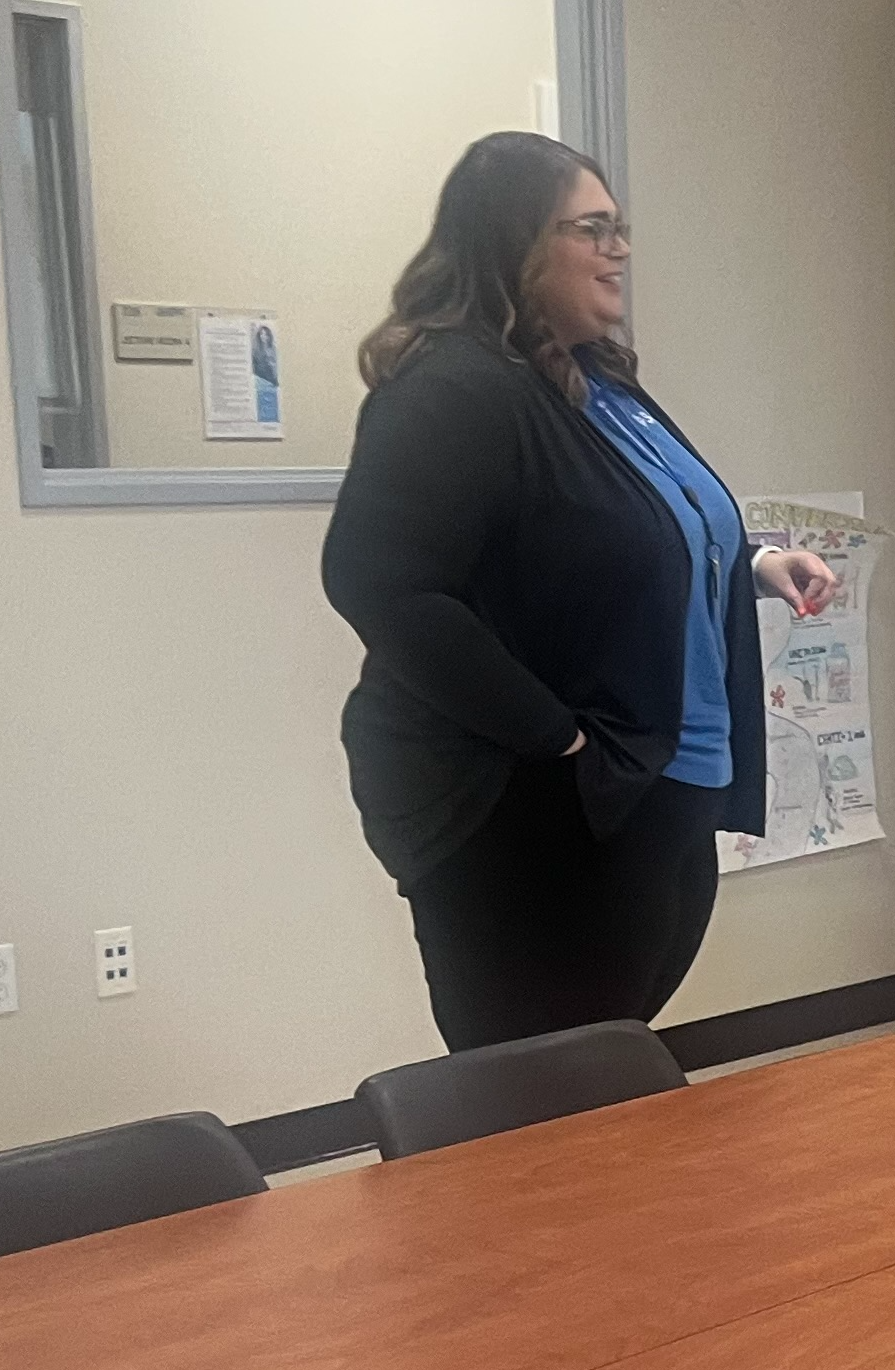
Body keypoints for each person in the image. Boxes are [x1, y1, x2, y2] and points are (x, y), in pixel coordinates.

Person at [322, 132, 834, 1050]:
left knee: (604, 1064)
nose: (620, 249)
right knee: (543, 1094)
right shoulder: (455, 386)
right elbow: (380, 583)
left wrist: (752, 565)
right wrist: (558, 739)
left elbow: (621, 528)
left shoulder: (592, 377)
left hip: (653, 788)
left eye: (619, 227)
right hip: (529, 809)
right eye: (592, 228)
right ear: (513, 243)